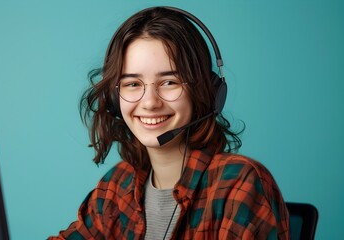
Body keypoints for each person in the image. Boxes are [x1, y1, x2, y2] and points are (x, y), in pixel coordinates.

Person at [49, 6, 289, 240]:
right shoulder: (117, 186)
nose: (150, 102)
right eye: (132, 84)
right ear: (114, 98)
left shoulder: (239, 183)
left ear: (206, 91)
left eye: (170, 82)